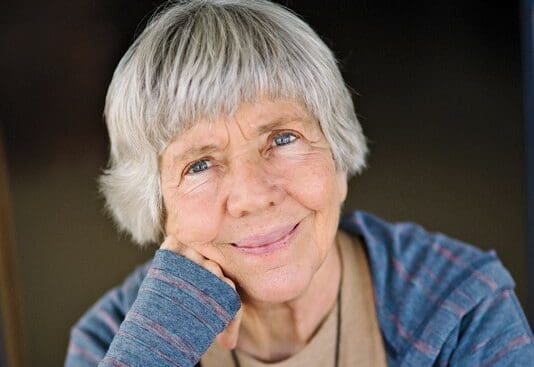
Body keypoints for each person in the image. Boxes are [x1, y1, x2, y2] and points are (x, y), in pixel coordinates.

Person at [64, 1, 534, 366]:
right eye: (200, 165)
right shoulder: (116, 337)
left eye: (282, 138)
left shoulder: (460, 306)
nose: (252, 195)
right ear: (159, 204)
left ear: (337, 153)